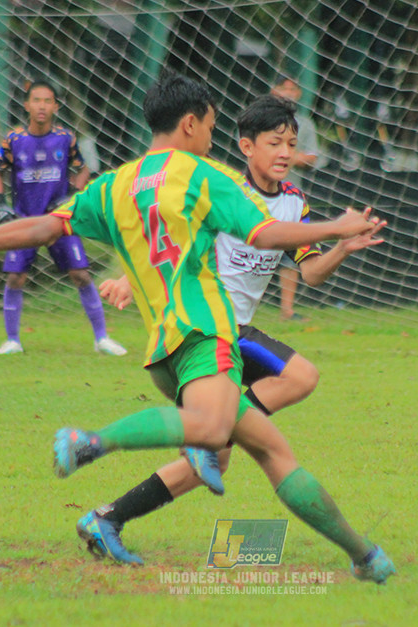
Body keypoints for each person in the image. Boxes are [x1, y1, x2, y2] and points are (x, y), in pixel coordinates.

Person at [0, 73, 394, 584]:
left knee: (269, 450)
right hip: (207, 334)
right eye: (209, 125)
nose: (212, 136)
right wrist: (337, 227)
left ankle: (365, 557)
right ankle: (92, 441)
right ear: (189, 123)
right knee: (211, 431)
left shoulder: (115, 185)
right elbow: (265, 233)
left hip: (163, 350)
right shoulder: (203, 174)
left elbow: (43, 226)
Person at [77, 93, 386, 571]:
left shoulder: (295, 203)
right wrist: (125, 277)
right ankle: (219, 430)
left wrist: (342, 248)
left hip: (235, 335)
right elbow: (164, 238)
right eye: (274, 143)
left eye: (291, 143)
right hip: (212, 330)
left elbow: (311, 275)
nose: (284, 152)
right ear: (246, 146)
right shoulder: (219, 190)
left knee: (216, 463)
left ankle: (109, 517)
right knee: (301, 376)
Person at [0, 80, 127, 355]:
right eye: (36, 100)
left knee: (80, 274)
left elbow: (83, 169)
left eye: (47, 101)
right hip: (25, 219)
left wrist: (73, 197)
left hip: (59, 220)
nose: (42, 106)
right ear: (27, 105)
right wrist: (0, 205)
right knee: (15, 278)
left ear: (55, 106)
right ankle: (12, 340)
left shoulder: (65, 139)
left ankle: (101, 338)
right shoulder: (14, 139)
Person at [271, 76, 321, 320]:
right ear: (274, 90)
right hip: (261, 196)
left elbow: (311, 157)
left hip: (291, 196)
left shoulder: (306, 124)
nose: (289, 93)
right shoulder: (263, 121)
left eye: (293, 89)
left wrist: (288, 157)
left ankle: (287, 311)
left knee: (292, 254)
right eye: (284, 88)